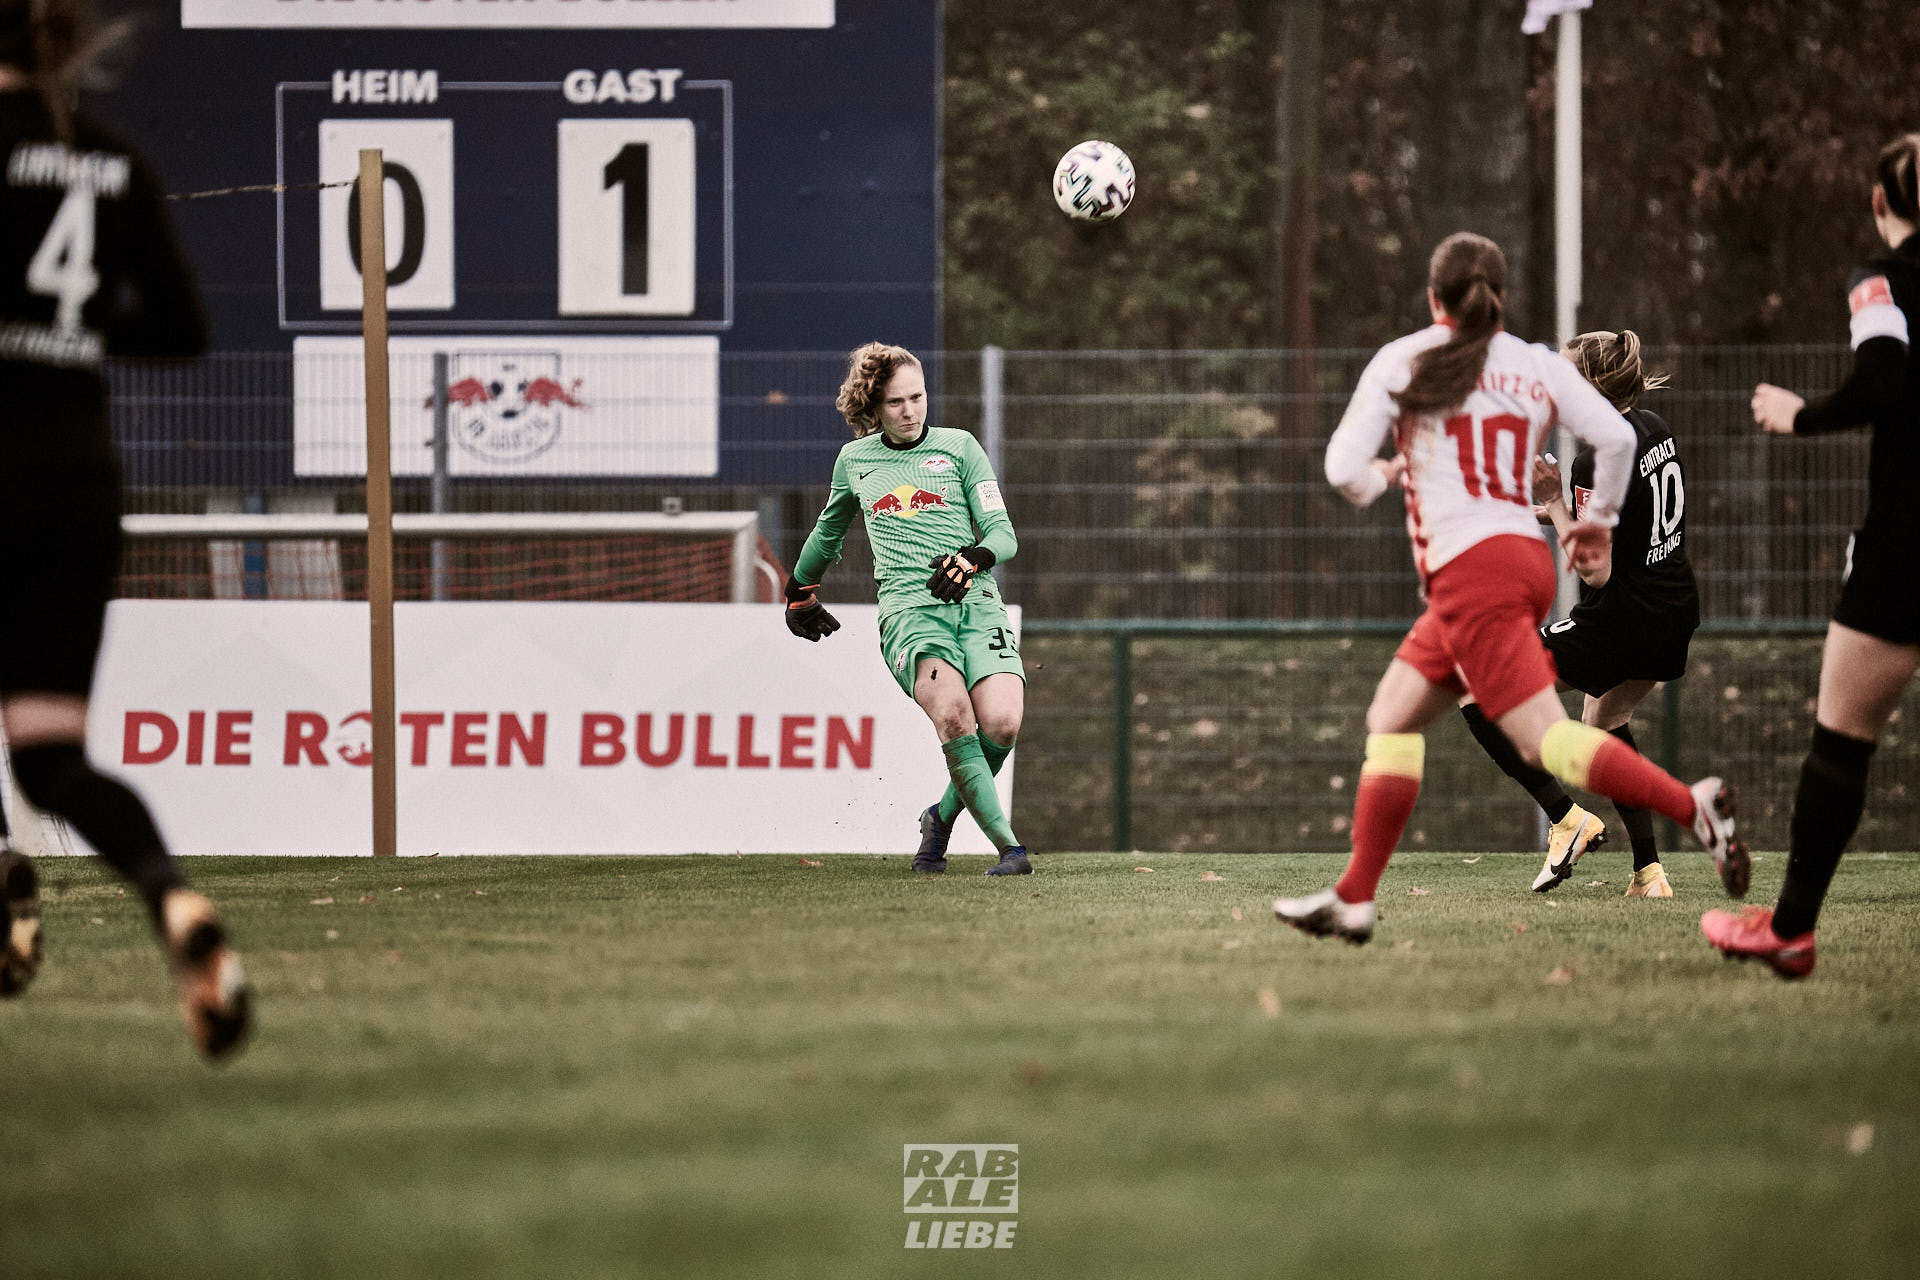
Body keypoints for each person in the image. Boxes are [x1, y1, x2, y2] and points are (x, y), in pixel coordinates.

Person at [1273, 232, 1746, 945]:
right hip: (1516, 561)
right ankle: (1355, 897)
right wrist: (1597, 523)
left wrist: (1382, 478)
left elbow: (1344, 469)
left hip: (1476, 574)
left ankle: (1694, 806)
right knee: (1393, 716)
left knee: (1546, 739)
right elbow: (1616, 443)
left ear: (1435, 297)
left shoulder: (1403, 361)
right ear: (1499, 296)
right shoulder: (1530, 362)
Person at [0, 0, 249, 1055]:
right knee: (51, 756)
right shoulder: (105, 156)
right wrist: (68, 322)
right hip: (75, 479)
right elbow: (183, 329)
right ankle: (174, 899)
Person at [1702, 133, 1920, 979]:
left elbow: (1884, 377)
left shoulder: (1880, 279)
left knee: (1842, 739)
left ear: (1877, 201)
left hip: (1907, 544)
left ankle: (1789, 929)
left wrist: (1801, 416)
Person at [1458, 330, 1700, 898]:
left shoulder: (1595, 459)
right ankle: (1650, 874)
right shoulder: (1652, 428)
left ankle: (1567, 820)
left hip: (1622, 617)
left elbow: (1596, 571)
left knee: (1475, 686)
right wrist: (1536, 509)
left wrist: (1559, 503)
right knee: (1604, 721)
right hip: (1673, 610)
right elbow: (1620, 523)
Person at [783, 342, 1030, 875]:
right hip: (910, 614)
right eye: (897, 402)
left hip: (979, 605)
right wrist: (799, 588)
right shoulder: (856, 461)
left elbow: (1003, 536)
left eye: (918, 397)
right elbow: (828, 532)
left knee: (1004, 725)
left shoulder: (960, 447)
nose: (911, 410)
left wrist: (973, 555)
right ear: (874, 407)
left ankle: (938, 820)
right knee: (955, 718)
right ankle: (1011, 850)